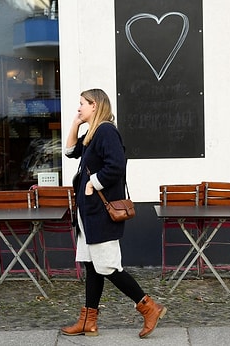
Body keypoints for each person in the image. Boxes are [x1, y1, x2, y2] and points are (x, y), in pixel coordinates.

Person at [61, 88, 166, 338]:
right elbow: (69, 152)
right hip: (88, 215)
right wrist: (76, 123)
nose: (79, 108)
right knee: (92, 266)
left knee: (109, 267)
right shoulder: (93, 133)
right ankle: (88, 321)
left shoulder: (106, 131)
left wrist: (92, 183)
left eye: (82, 104)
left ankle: (149, 307)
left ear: (95, 105)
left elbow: (116, 165)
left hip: (100, 214)